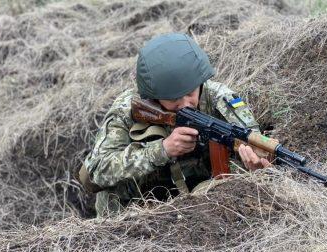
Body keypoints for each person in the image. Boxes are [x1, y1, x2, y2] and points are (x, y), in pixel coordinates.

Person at [79, 33, 270, 218]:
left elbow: (253, 140)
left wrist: (252, 166)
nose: (185, 103)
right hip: (135, 208)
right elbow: (97, 171)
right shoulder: (128, 109)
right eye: (174, 98)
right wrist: (162, 150)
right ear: (153, 95)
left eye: (190, 92)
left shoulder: (221, 100)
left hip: (201, 205)